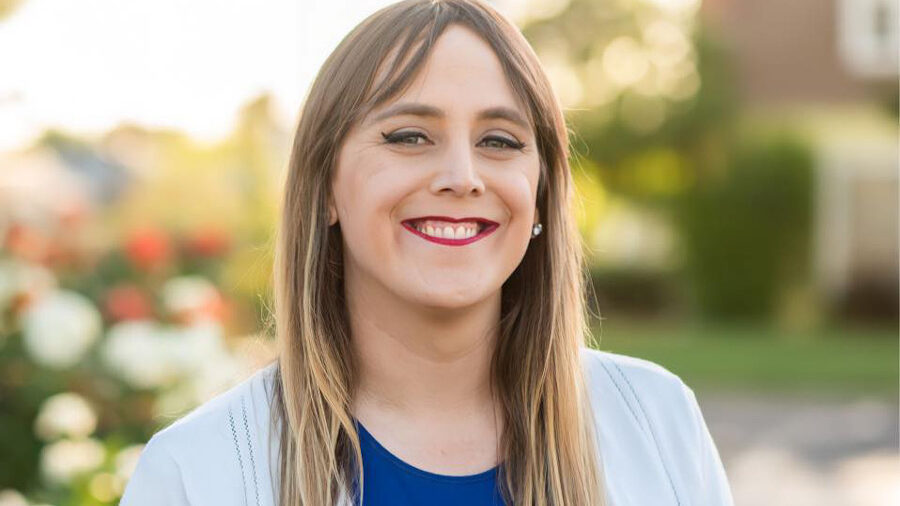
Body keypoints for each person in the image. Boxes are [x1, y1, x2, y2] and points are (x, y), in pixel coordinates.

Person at [120, 0, 735, 504]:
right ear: (325, 186)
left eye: (500, 140)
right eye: (409, 136)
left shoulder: (657, 424)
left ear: (543, 194)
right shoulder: (194, 474)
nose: (462, 176)